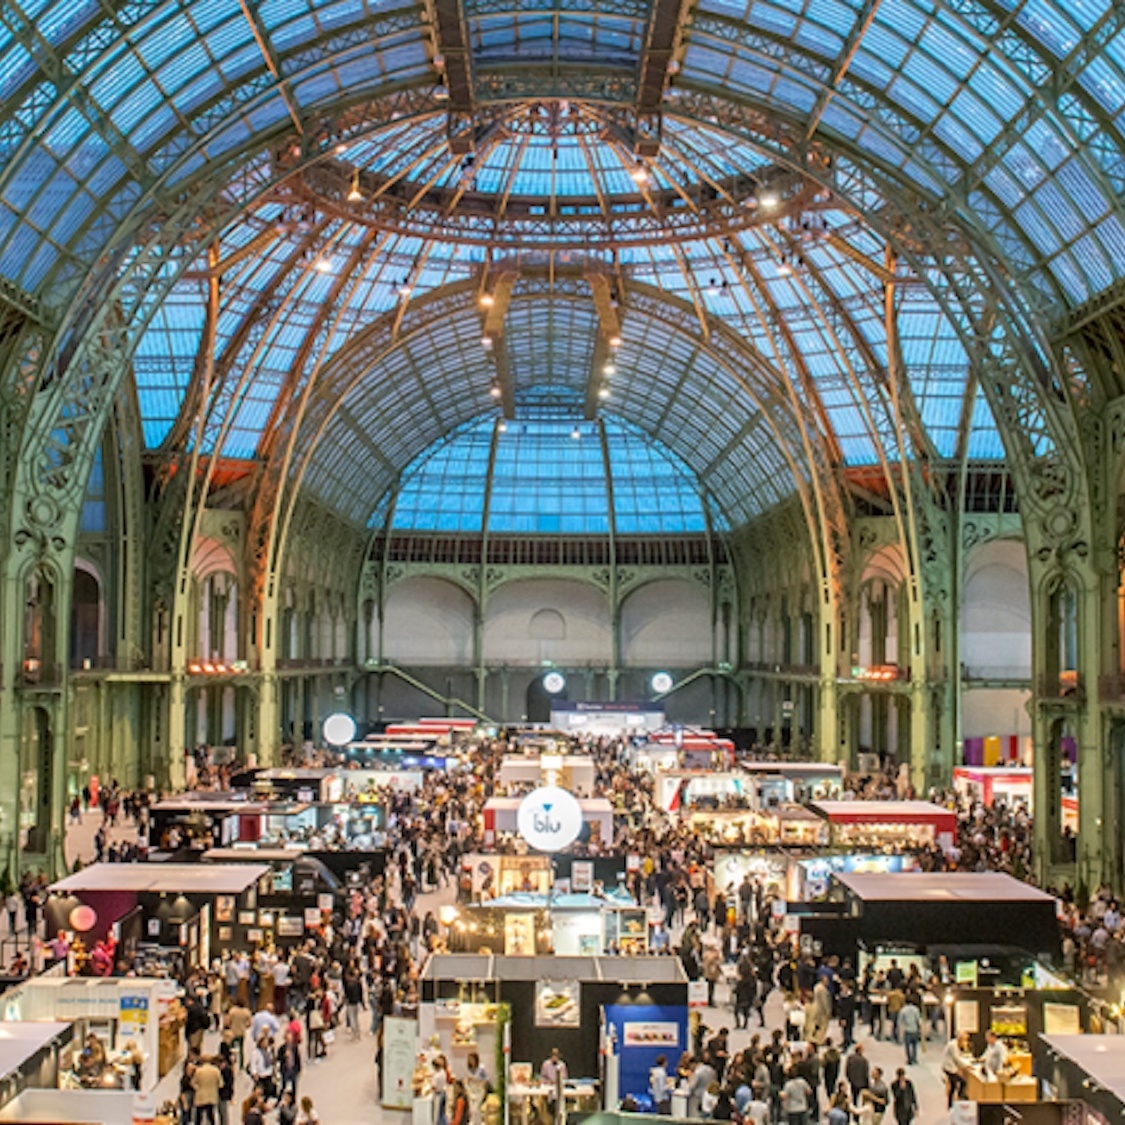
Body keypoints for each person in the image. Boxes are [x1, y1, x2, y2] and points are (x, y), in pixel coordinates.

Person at [940, 1032, 972, 1107]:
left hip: (950, 1067)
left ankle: (951, 1104)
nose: (965, 1042)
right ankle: (959, 1100)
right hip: (949, 1068)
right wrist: (966, 1066)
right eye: (964, 1040)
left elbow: (958, 1056)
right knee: (962, 1082)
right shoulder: (953, 1045)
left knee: (953, 1086)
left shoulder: (955, 1044)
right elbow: (956, 1058)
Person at [191, 1054, 222, 1125]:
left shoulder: (199, 1071)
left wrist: (197, 1088)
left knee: (198, 1116)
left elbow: (193, 1083)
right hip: (212, 1096)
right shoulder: (216, 1071)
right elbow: (221, 1084)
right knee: (210, 1115)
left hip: (200, 1096)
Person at [898, 998, 922, 1066]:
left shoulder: (903, 1010)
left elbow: (900, 1020)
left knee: (907, 1046)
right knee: (914, 1046)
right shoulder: (916, 1009)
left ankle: (909, 1060)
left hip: (907, 1030)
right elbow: (918, 1020)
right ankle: (914, 1058)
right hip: (915, 1030)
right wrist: (920, 1028)